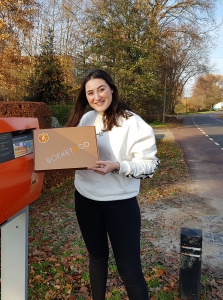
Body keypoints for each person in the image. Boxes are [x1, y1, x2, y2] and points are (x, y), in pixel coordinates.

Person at [65, 69, 159, 300]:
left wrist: (117, 166)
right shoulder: (86, 120)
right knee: (97, 259)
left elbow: (150, 165)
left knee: (129, 271)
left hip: (120, 205)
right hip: (86, 200)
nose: (96, 97)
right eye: (90, 93)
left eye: (101, 89)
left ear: (112, 89)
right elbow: (71, 152)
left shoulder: (133, 123)